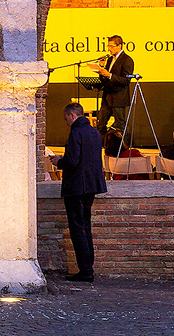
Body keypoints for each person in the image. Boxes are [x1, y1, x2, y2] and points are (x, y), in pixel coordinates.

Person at [49, 102, 106, 282]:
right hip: (91, 186)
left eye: (66, 117)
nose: (66, 121)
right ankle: (89, 266)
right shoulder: (94, 133)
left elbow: (73, 161)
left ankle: (86, 270)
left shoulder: (75, 133)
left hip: (76, 187)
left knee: (77, 229)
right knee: (86, 226)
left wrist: (59, 161)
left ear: (72, 115)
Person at [89, 35, 134, 135]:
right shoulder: (109, 60)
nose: (109, 49)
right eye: (108, 46)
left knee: (120, 125)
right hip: (107, 97)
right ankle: (103, 146)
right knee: (101, 124)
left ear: (120, 46)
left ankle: (119, 149)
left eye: (112, 46)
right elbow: (105, 80)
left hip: (119, 97)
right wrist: (100, 68)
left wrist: (110, 75)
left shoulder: (127, 60)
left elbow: (126, 80)